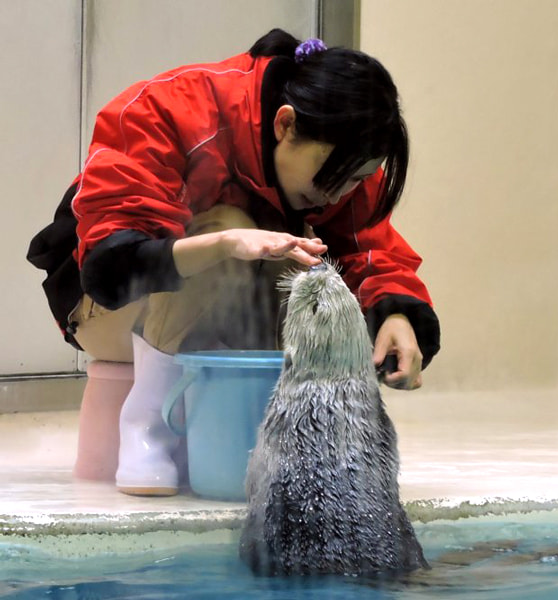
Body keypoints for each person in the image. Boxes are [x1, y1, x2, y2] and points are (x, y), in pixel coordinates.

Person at [26, 29, 440, 497]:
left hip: (228, 312)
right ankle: (148, 428)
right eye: (336, 176)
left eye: (359, 178)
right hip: (109, 306)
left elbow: (373, 251)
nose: (340, 193)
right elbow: (113, 266)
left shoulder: (337, 158)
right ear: (285, 124)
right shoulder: (173, 109)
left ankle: (297, 441)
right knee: (228, 224)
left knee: (309, 268)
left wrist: (398, 315)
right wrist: (225, 243)